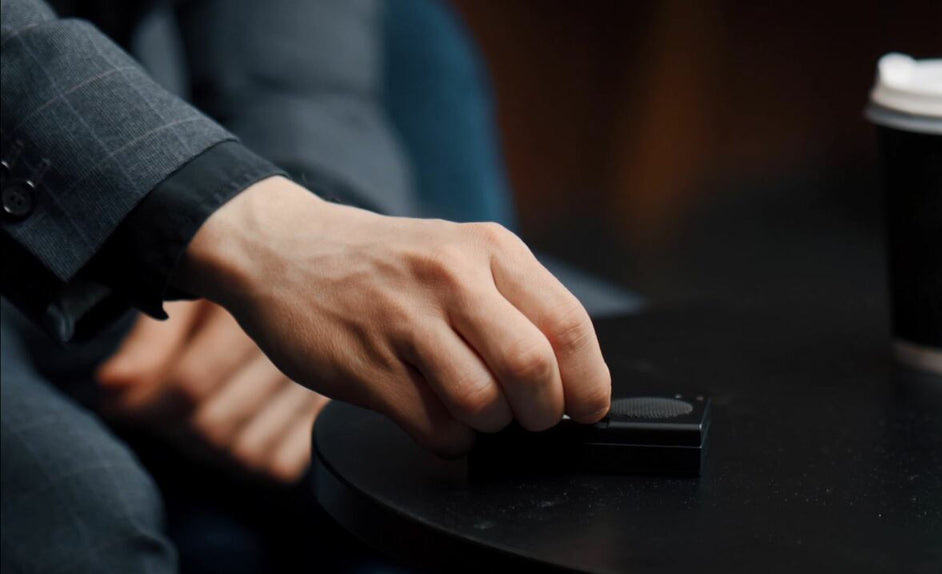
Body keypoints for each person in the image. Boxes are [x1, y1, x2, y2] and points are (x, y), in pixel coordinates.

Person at [2, 0, 637, 571]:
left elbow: (294, 70)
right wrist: (239, 227)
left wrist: (318, 214)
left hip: (169, 97)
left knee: (644, 397)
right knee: (80, 518)